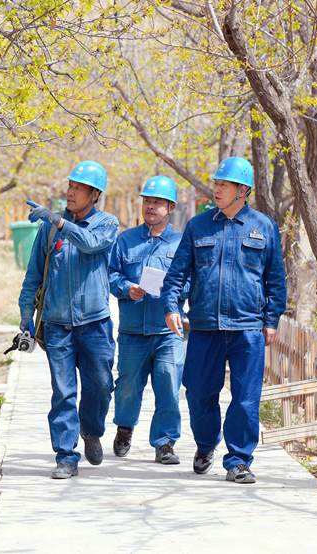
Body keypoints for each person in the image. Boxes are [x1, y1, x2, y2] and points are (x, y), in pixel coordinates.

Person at [161, 156, 286, 484]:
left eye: (223, 184)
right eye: (216, 183)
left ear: (242, 190)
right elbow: (177, 274)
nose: (216, 189)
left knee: (246, 397)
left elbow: (276, 279)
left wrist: (271, 319)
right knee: (199, 392)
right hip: (204, 327)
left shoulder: (264, 227)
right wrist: (172, 306)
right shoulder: (198, 226)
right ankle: (205, 445)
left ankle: (239, 460)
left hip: (248, 328)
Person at [18, 160, 119, 479]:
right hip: (58, 324)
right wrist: (25, 313)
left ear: (95, 194)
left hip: (95, 324)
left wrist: (59, 223)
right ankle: (65, 454)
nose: (71, 192)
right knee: (63, 391)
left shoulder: (107, 223)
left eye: (79, 188)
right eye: (70, 186)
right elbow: (34, 272)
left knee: (101, 386)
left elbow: (90, 245)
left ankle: (91, 431)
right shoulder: (50, 227)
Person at [108, 176, 188, 465]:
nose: (151, 206)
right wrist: (127, 289)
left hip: (167, 331)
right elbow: (111, 275)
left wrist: (172, 289)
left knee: (168, 383)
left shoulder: (181, 243)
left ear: (170, 207)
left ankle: (165, 442)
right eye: (147, 201)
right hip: (132, 331)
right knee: (127, 385)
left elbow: (190, 280)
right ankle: (125, 429)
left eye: (157, 202)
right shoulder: (125, 240)